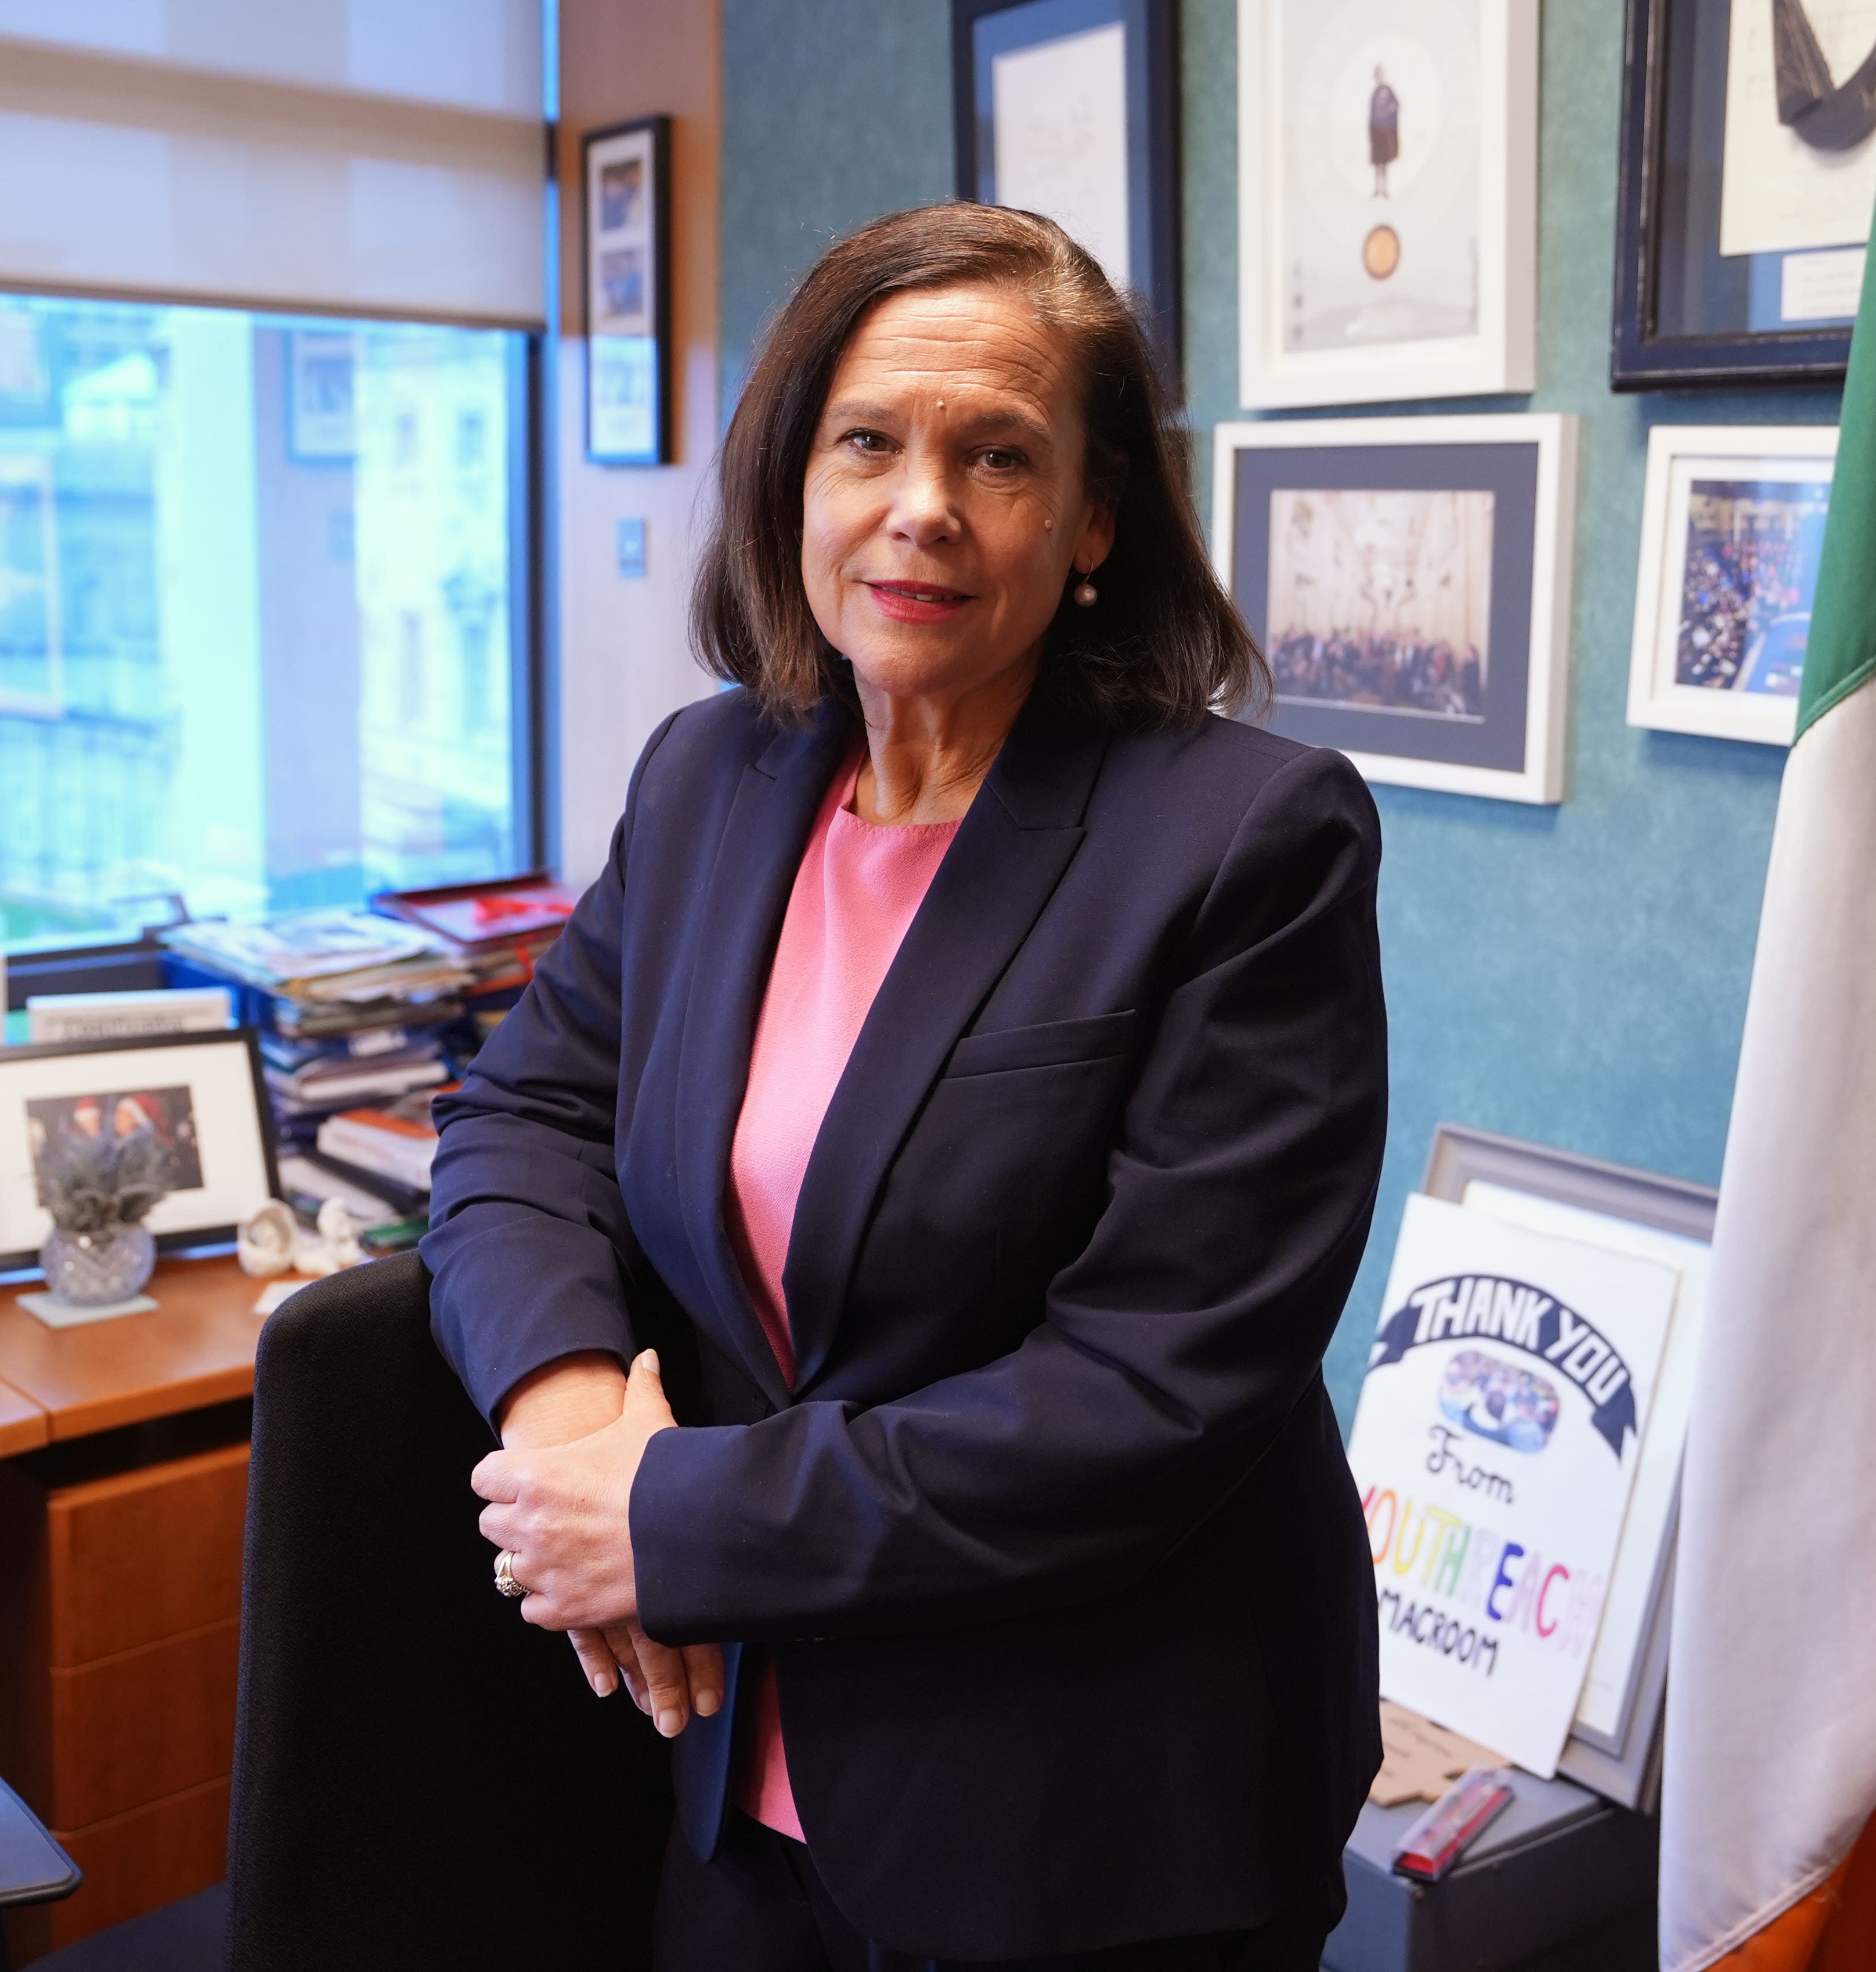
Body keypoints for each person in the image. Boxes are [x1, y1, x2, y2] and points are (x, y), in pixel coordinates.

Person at [428, 201, 1387, 1971]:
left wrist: (668, 1520)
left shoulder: (1249, 840)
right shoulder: (715, 778)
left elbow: (1146, 1394)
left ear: (1095, 520)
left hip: (1085, 1830)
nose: (923, 502)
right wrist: (571, 1423)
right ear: (798, 480)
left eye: (999, 453)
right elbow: (525, 1116)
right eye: (869, 439)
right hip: (728, 1766)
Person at [1369, 64, 1399, 196]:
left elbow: (1396, 105)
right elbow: (1372, 114)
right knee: (1377, 163)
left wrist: (1388, 120)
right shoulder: (1375, 92)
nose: (1379, 77)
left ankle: (1385, 190)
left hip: (1385, 131)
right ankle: (1377, 189)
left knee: (1385, 164)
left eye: (1381, 74)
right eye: (1378, 75)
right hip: (1376, 131)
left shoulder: (1388, 90)